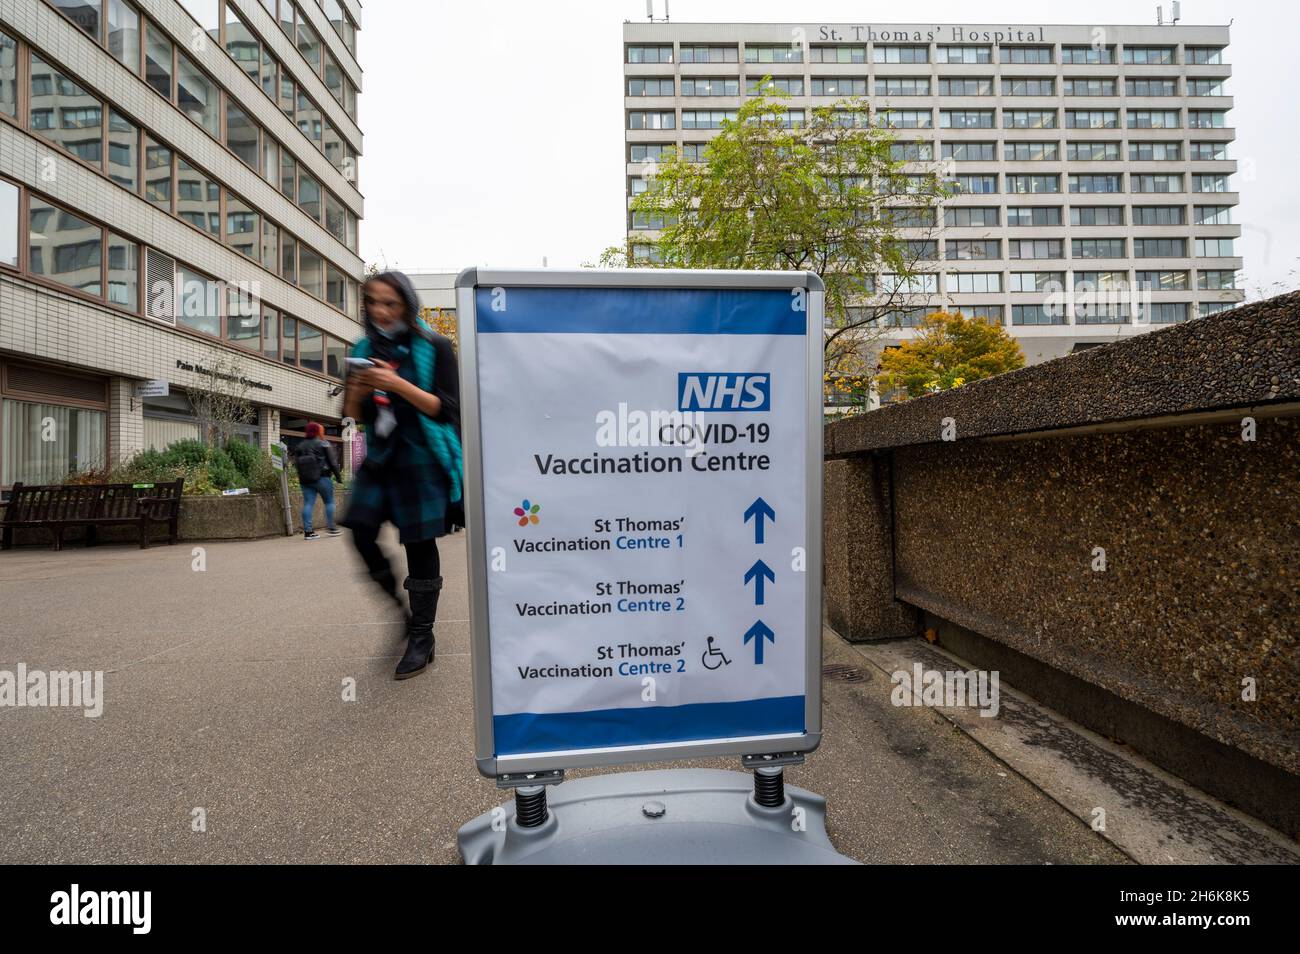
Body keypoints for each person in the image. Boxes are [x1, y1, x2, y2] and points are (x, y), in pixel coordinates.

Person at [341, 270, 462, 681]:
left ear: (407, 305)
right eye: (373, 301)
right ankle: (401, 611)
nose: (380, 310)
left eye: (390, 303)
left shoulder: (435, 346)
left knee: (418, 540)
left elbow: (445, 409)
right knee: (358, 528)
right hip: (381, 456)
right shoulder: (362, 348)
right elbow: (352, 415)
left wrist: (396, 383)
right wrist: (357, 387)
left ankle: (422, 637)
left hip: (421, 455)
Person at [295, 422, 343, 540]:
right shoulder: (323, 443)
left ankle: (308, 532)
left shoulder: (300, 446)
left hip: (305, 480)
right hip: (322, 478)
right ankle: (331, 528)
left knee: (308, 504)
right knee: (329, 502)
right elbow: (332, 462)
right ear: (317, 431)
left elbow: (296, 464)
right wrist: (338, 477)